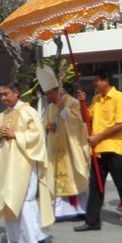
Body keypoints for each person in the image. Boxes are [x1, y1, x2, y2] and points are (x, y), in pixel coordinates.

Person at [0, 81, 54, 243]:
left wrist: (14, 134)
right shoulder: (2, 116)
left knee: (25, 200)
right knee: (9, 199)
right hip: (6, 165)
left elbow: (37, 136)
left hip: (24, 164)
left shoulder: (28, 112)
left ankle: (36, 238)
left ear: (16, 93)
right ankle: (17, 239)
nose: (2, 98)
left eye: (6, 94)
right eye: (1, 94)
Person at [74, 69, 122, 232]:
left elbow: (121, 124)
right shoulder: (97, 99)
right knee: (95, 186)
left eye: (96, 80)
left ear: (105, 81)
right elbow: (86, 118)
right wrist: (81, 102)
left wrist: (99, 137)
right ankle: (92, 221)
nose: (94, 84)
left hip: (115, 149)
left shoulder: (120, 98)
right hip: (98, 150)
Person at [37, 66, 90, 221]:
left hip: (71, 149)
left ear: (57, 91)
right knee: (56, 178)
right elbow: (44, 123)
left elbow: (79, 123)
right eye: (46, 95)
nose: (49, 98)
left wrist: (64, 110)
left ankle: (81, 209)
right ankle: (60, 211)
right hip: (55, 150)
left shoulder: (73, 102)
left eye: (50, 94)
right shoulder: (50, 106)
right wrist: (48, 127)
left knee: (75, 178)